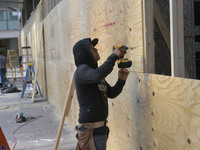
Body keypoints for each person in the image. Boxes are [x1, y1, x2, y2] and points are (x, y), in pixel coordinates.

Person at [73, 38, 129, 150]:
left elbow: (111, 93)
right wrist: (113, 56)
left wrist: (121, 80)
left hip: (99, 130)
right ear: (84, 53)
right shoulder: (82, 71)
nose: (96, 49)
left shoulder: (94, 75)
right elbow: (97, 75)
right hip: (90, 131)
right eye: (91, 48)